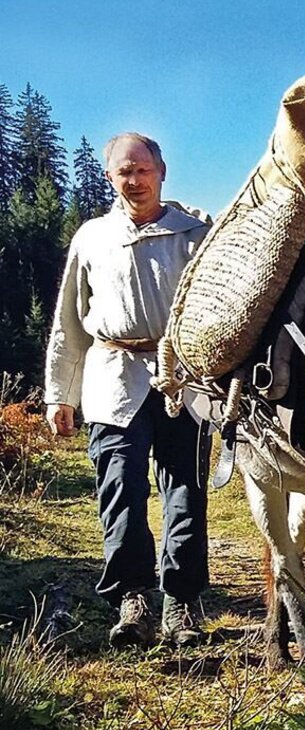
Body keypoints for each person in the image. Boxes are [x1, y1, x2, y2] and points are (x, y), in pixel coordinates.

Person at [44, 133, 212, 648]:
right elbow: (69, 321)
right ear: (110, 177)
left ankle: (181, 601)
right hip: (112, 377)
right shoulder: (93, 238)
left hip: (182, 379)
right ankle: (132, 599)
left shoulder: (196, 235)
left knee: (185, 491)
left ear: (162, 171)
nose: (134, 180)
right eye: (124, 171)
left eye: (143, 170)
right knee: (120, 490)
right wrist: (59, 393)